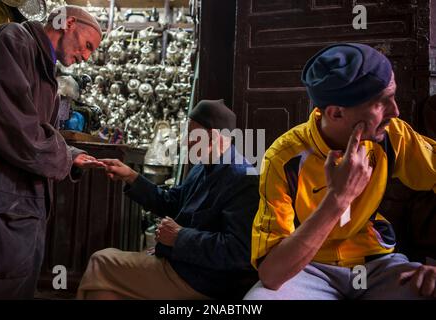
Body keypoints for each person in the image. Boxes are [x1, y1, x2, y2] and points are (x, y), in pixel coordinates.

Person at [245, 43, 436, 300]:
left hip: (377, 265)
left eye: (393, 96)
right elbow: (272, 275)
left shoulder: (392, 135)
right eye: (381, 102)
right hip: (309, 270)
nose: (395, 111)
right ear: (336, 113)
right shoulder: (283, 158)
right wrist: (339, 198)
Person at [77, 99, 260, 299]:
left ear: (213, 137)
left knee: (101, 261)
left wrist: (178, 238)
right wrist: (131, 176)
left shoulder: (242, 176)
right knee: (103, 290)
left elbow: (239, 251)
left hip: (203, 280)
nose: (185, 141)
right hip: (182, 265)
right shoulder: (202, 167)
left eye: (191, 134)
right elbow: (172, 203)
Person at [0, 6, 105, 299]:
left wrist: (72, 154)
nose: (86, 57)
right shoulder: (13, 42)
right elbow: (17, 129)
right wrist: (65, 156)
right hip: (0, 215)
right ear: (69, 23)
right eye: (87, 45)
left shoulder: (44, 66)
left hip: (18, 213)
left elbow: (39, 132)